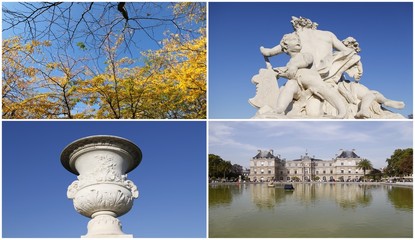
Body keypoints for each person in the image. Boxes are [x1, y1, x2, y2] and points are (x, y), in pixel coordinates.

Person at [273, 33, 346, 118]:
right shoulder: (289, 64)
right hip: (300, 87)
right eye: (294, 39)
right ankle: (280, 108)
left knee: (327, 92)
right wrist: (278, 73)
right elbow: (290, 75)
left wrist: (295, 66)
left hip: (314, 85)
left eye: (299, 40)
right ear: (286, 46)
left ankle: (342, 112)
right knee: (290, 85)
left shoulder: (305, 54)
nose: (298, 41)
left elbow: (307, 61)